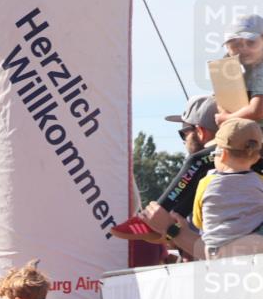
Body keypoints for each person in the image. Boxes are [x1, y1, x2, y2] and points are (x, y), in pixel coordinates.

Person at [143, 118, 263, 259]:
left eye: (214, 153)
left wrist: (171, 229)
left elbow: (215, 252)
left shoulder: (209, 185)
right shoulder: (258, 184)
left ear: (222, 155)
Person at [111, 95, 219, 242]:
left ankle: (152, 219)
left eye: (183, 133)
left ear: (201, 131)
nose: (183, 142)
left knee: (196, 161)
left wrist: (171, 231)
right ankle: (163, 220)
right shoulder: (213, 176)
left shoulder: (216, 172)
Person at [215, 14, 263, 132]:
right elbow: (223, 102)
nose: (243, 48)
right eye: (236, 45)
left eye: (251, 43)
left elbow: (257, 110)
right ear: (228, 48)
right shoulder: (243, 73)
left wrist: (226, 118)